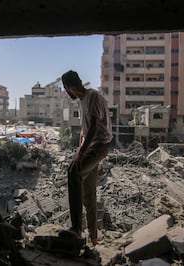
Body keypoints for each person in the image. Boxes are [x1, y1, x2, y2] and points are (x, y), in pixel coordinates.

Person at [60, 70, 113, 246]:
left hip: (99, 146)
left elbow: (94, 128)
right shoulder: (82, 101)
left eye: (66, 89)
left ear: (68, 87)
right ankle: (94, 237)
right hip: (91, 146)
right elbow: (85, 130)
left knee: (73, 172)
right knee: (89, 193)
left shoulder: (93, 97)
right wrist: (80, 148)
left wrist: (81, 154)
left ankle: (76, 228)